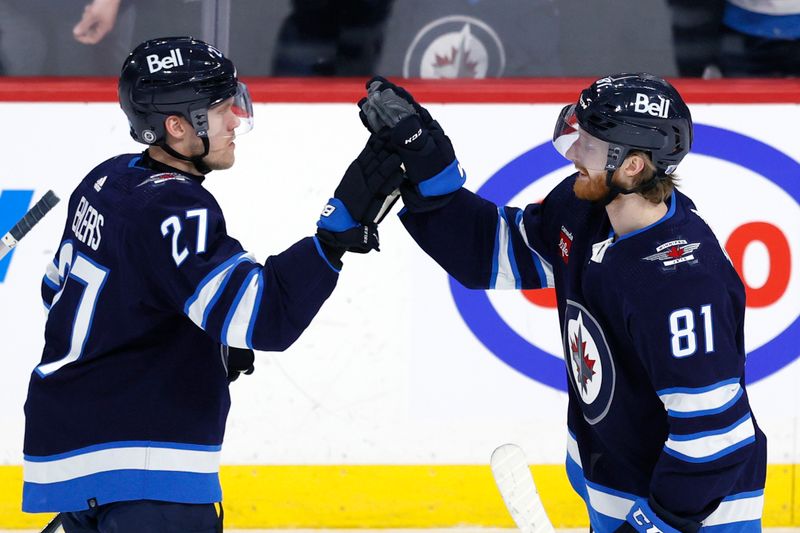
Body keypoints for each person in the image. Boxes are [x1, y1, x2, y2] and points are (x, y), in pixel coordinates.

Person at [22, 37, 402, 532]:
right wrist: (332, 239)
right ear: (177, 126)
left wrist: (198, 341)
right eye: (220, 110)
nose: (236, 120)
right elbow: (265, 317)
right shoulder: (176, 208)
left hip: (71, 450)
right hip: (147, 467)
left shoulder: (107, 179)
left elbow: (58, 293)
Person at [358, 74, 767, 531]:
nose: (573, 153)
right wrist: (427, 170)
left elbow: (712, 443)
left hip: (695, 515)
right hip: (617, 481)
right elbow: (492, 252)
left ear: (631, 165)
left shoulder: (683, 284)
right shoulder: (585, 214)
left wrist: (647, 526)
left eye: (588, 144)